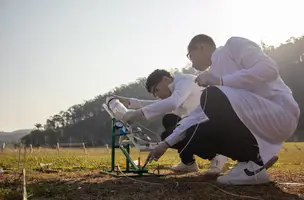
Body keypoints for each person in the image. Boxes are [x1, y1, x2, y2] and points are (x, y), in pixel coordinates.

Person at [142, 34, 300, 185]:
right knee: (193, 134)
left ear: (201, 47)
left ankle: (254, 162)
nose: (191, 63)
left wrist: (221, 81)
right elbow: (197, 114)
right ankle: (251, 163)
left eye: (190, 56)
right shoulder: (213, 76)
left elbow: (269, 69)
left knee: (211, 96)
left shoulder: (233, 45)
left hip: (279, 111)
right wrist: (165, 143)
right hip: (255, 121)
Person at [117, 69, 227, 174]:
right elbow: (158, 103)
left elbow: (173, 103)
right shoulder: (175, 90)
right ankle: (188, 163)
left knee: (171, 134)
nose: (157, 95)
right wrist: (131, 103)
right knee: (169, 120)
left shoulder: (185, 81)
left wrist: (137, 113)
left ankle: (217, 156)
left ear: (165, 79)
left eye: (157, 90)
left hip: (211, 124)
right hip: (195, 123)